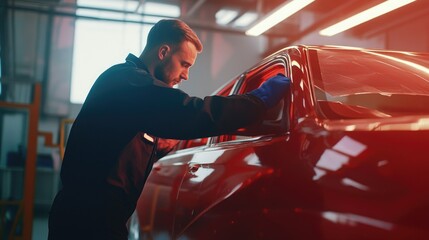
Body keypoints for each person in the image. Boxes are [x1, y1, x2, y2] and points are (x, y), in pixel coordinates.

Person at [48, 19, 290, 240]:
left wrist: (158, 146)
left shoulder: (128, 84)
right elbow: (190, 113)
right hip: (85, 225)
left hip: (94, 220)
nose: (185, 75)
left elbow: (126, 141)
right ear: (163, 52)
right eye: (184, 64)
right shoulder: (130, 81)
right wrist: (257, 101)